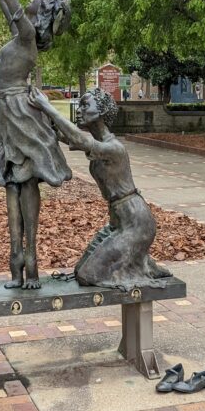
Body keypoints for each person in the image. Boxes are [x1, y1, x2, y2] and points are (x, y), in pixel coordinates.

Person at [0, 0, 71, 290]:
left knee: (25, 180)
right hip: (8, 112)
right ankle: (17, 262)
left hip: (18, 111)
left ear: (42, 10)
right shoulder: (22, 35)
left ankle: (30, 257)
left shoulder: (27, 34)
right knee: (12, 182)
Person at [29, 87, 171, 289]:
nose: (80, 110)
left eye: (85, 105)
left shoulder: (114, 148)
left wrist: (47, 106)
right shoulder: (99, 142)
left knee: (89, 275)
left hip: (137, 222)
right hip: (118, 221)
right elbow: (67, 137)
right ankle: (138, 261)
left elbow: (78, 139)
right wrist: (39, 115)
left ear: (102, 111)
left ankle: (139, 263)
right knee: (80, 271)